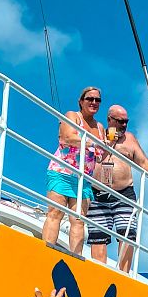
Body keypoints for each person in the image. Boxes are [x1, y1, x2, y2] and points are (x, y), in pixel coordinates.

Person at [86, 105, 148, 273]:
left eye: (126, 122)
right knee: (98, 237)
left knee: (127, 235)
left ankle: (123, 275)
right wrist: (106, 141)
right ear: (110, 119)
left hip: (124, 193)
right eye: (120, 121)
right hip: (97, 192)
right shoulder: (97, 133)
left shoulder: (130, 139)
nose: (124, 125)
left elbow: (143, 161)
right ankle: (99, 273)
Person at [41, 87, 107, 258]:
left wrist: (106, 146)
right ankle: (45, 253)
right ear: (81, 101)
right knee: (55, 213)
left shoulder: (99, 127)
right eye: (90, 99)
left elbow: (101, 155)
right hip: (62, 171)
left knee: (78, 220)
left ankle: (75, 259)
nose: (93, 102)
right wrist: (95, 143)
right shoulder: (72, 115)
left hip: (83, 178)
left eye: (97, 100)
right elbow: (67, 137)